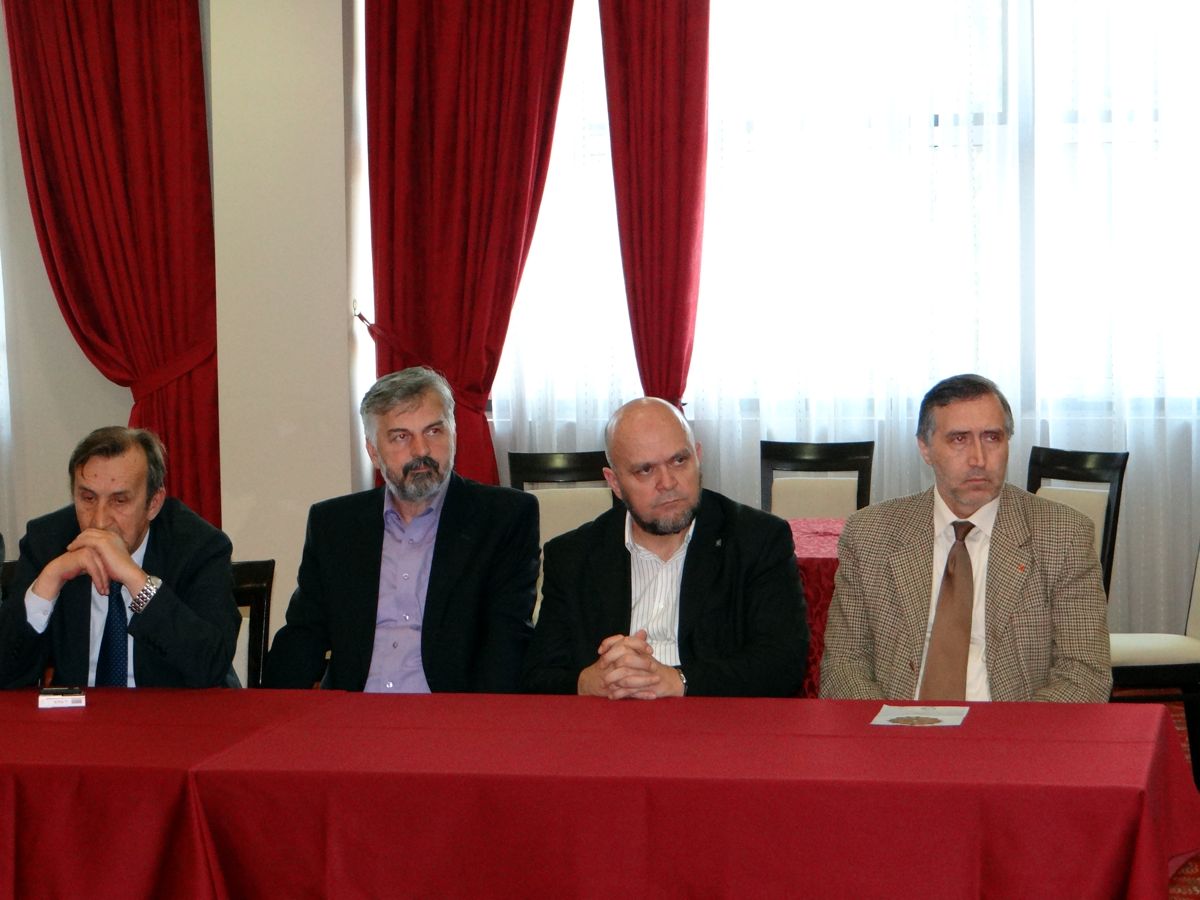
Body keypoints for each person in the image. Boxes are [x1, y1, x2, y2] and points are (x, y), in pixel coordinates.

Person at [820, 374, 1111, 703]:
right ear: (925, 448)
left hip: (1014, 724)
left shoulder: (1063, 535)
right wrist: (892, 725)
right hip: (898, 722)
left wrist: (1008, 729)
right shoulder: (870, 534)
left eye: (992, 437)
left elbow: (1085, 674)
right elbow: (843, 666)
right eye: (959, 439)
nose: (979, 459)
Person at [263, 366, 539, 692]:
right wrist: (273, 709)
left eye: (433, 431)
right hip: (355, 711)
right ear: (373, 451)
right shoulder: (334, 525)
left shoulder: (503, 519)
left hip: (450, 712)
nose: (421, 451)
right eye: (401, 437)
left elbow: (507, 643)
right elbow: (303, 635)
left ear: (454, 434)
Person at [522, 397, 807, 698]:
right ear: (614, 483)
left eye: (679, 461)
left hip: (714, 720)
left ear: (698, 457)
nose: (668, 482)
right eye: (645, 470)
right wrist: (586, 682)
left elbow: (783, 664)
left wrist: (678, 680)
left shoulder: (757, 540)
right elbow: (538, 675)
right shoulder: (573, 556)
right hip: (609, 719)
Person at [0, 427, 239, 688]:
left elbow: (210, 666)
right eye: (88, 498)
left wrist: (136, 580)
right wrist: (49, 580)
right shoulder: (47, 541)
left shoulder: (198, 547)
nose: (100, 521)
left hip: (167, 710)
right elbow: (6, 673)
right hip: (78, 711)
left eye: (119, 501)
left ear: (154, 503)